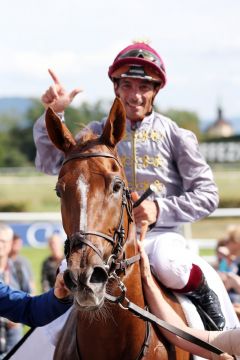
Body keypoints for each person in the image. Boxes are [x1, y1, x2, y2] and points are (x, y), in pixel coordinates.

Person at [33, 40, 236, 331]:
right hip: (104, 240)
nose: (135, 95)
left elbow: (208, 195)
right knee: (68, 272)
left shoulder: (176, 135)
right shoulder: (93, 133)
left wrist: (159, 209)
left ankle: (216, 323)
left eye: (144, 87)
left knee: (168, 264)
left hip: (160, 237)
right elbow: (49, 163)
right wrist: (54, 114)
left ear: (155, 91)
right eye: (127, 86)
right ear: (116, 88)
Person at [138, 239, 240, 360]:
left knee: (166, 265)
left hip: (162, 236)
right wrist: (148, 280)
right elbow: (180, 334)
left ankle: (204, 293)